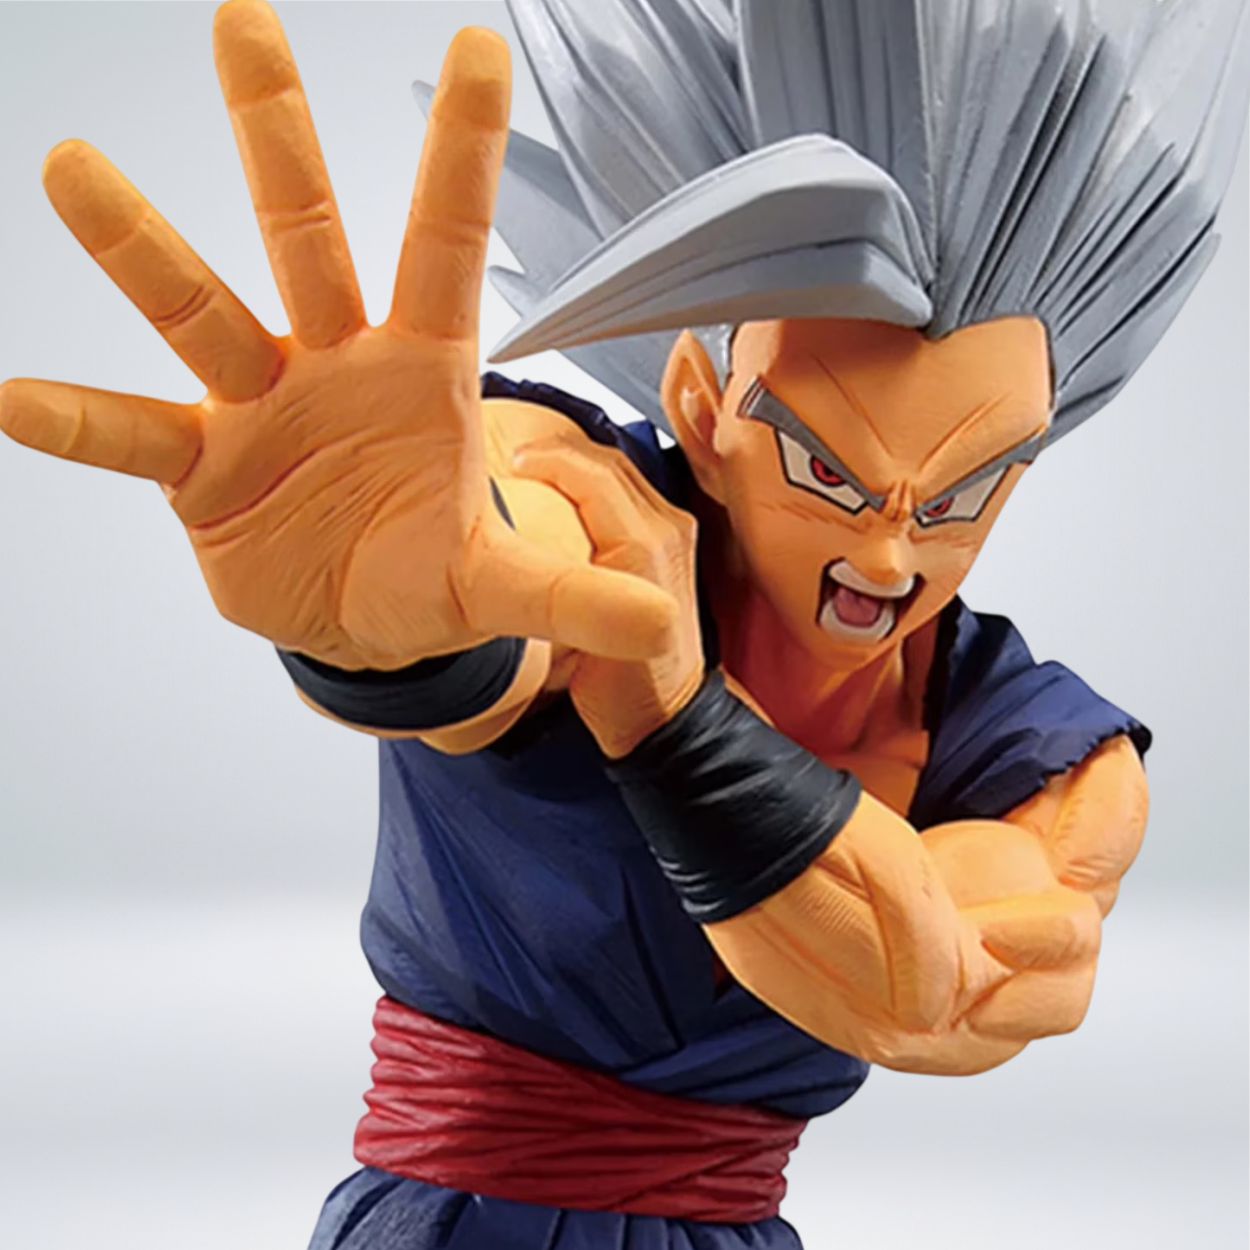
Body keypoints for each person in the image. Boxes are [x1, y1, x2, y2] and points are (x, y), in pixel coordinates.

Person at [1, 2, 1245, 1247]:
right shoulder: (599, 509)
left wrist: (673, 721)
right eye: (825, 469)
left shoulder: (1033, 743)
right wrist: (370, 596)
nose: (884, 553)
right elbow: (501, 568)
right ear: (701, 405)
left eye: (956, 494)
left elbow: (947, 981)